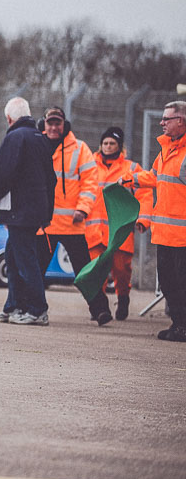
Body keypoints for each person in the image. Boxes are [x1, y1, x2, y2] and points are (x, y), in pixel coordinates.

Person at [0, 97, 56, 326]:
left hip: (19, 212)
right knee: (13, 258)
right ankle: (14, 306)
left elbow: (3, 174)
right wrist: (47, 212)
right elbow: (50, 179)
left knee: (24, 260)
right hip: (33, 211)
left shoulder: (14, 137)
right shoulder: (40, 140)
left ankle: (38, 310)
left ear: (9, 118)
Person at [36, 106, 112, 325]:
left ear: (64, 125)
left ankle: (100, 311)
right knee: (37, 271)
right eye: (50, 123)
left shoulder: (80, 149)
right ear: (44, 124)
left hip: (72, 223)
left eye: (57, 123)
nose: (53, 127)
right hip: (45, 225)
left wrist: (83, 208)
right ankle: (35, 308)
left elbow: (90, 183)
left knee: (84, 272)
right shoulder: (37, 145)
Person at [125, 101, 186, 341]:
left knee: (179, 285)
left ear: (181, 121)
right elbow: (154, 176)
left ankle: (182, 327)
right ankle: (179, 325)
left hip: (182, 238)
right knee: (169, 285)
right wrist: (130, 180)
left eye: (166, 119)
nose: (161, 123)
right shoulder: (167, 150)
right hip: (165, 234)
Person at [86, 127, 152, 320]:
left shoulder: (131, 169)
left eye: (112, 143)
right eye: (105, 143)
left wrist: (143, 219)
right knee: (96, 270)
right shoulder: (90, 165)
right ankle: (99, 306)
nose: (108, 147)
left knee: (121, 269)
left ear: (119, 146)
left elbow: (145, 195)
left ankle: (123, 298)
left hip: (119, 230)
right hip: (94, 230)